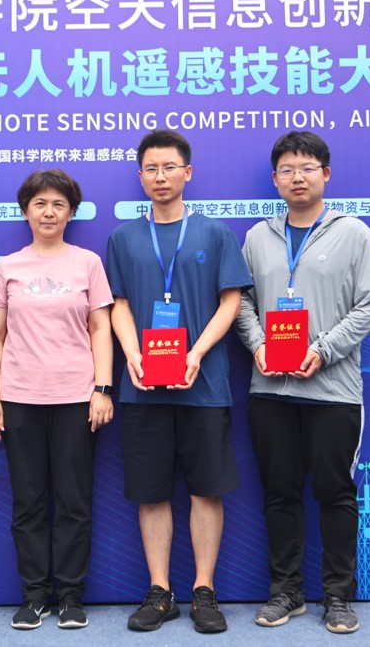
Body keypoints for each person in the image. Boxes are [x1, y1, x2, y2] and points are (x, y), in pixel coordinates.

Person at [234, 131, 370, 634]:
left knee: (335, 491)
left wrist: (322, 349)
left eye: (306, 167)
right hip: (270, 389)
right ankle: (287, 591)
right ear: (275, 179)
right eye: (286, 169)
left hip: (332, 391)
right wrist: (258, 345)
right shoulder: (258, 237)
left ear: (326, 173)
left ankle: (338, 596)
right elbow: (242, 302)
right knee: (279, 492)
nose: (296, 177)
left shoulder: (354, 233)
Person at [105, 129, 253, 633]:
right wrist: (132, 354)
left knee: (207, 490)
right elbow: (119, 304)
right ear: (140, 176)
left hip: (203, 383)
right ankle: (160, 591)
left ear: (187, 172)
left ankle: (204, 590)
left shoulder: (215, 233)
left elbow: (231, 301)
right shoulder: (123, 237)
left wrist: (195, 353)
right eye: (151, 168)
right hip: (143, 385)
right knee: (152, 492)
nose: (160, 176)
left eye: (169, 167)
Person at [0, 170, 114, 631]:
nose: (49, 212)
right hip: (19, 398)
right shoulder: (7, 268)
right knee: (29, 502)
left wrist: (102, 389)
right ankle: (35, 595)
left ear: (71, 212)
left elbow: (101, 329)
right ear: (26, 211)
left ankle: (71, 595)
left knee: (74, 501)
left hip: (77, 398)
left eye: (59, 204)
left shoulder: (88, 263)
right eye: (40, 204)